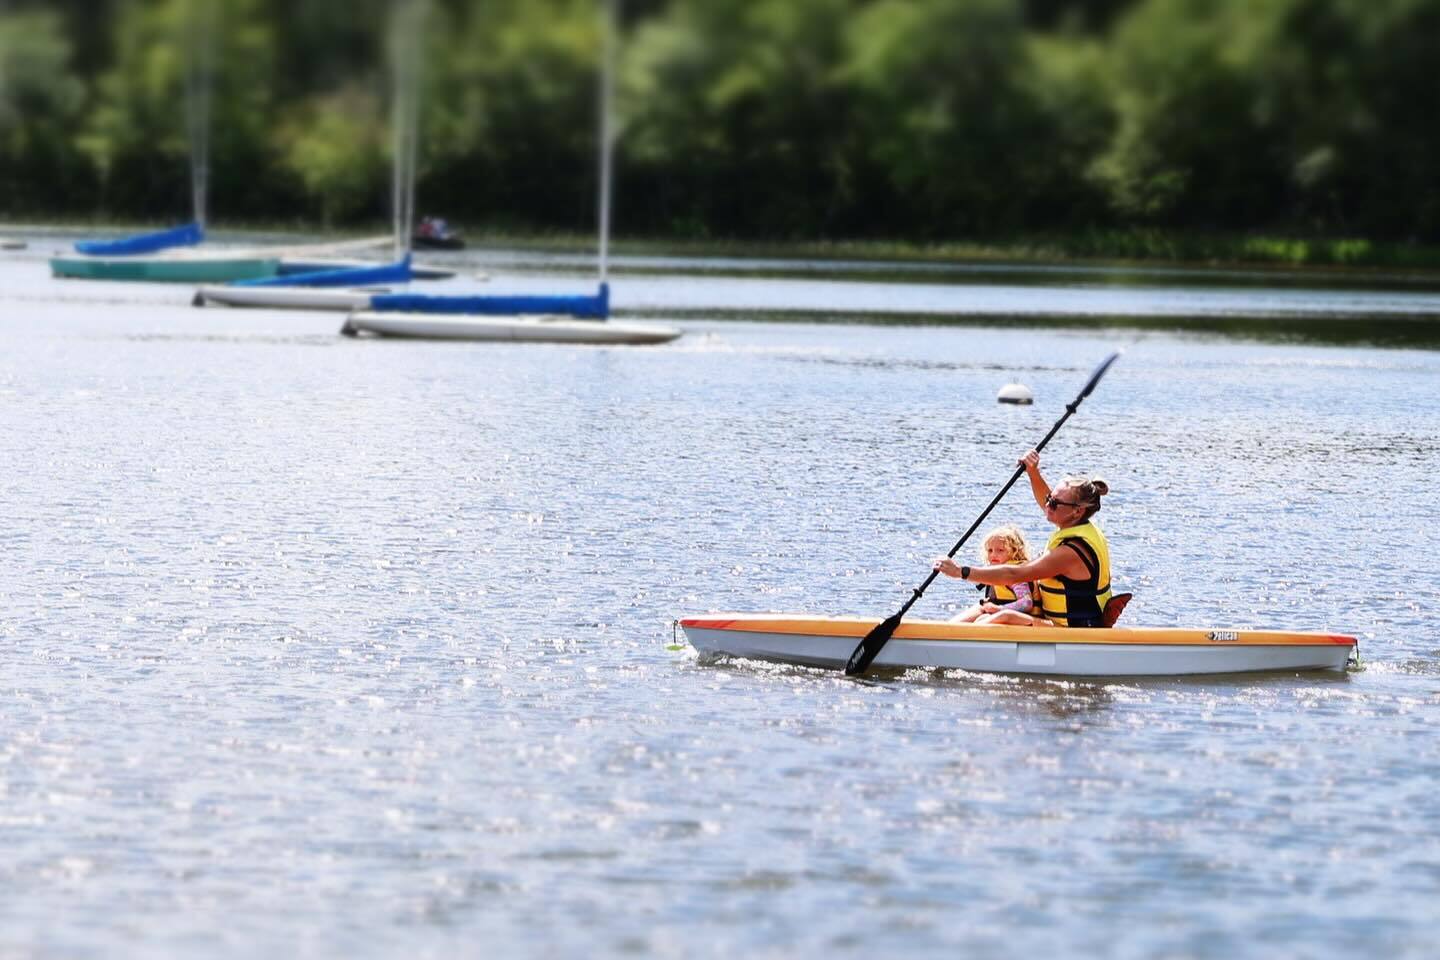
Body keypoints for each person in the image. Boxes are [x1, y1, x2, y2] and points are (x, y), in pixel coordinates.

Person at [935, 449, 1114, 628]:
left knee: (1002, 616)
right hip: (1055, 623)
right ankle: (940, 634)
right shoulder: (1074, 522)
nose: (1047, 504)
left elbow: (1014, 574)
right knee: (982, 610)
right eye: (1049, 498)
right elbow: (1049, 500)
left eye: (1053, 502)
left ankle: (954, 643)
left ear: (1078, 511)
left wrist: (961, 572)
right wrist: (1033, 472)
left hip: (1073, 632)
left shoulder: (1070, 552)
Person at [949, 525, 1035, 623]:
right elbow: (977, 580)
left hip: (1016, 618)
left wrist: (999, 609)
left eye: (1000, 550)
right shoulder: (994, 571)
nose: (993, 555)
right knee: (959, 620)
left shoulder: (1015, 574)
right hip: (996, 609)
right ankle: (947, 630)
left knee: (982, 619)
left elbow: (1026, 603)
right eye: (990, 550)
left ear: (1014, 552)